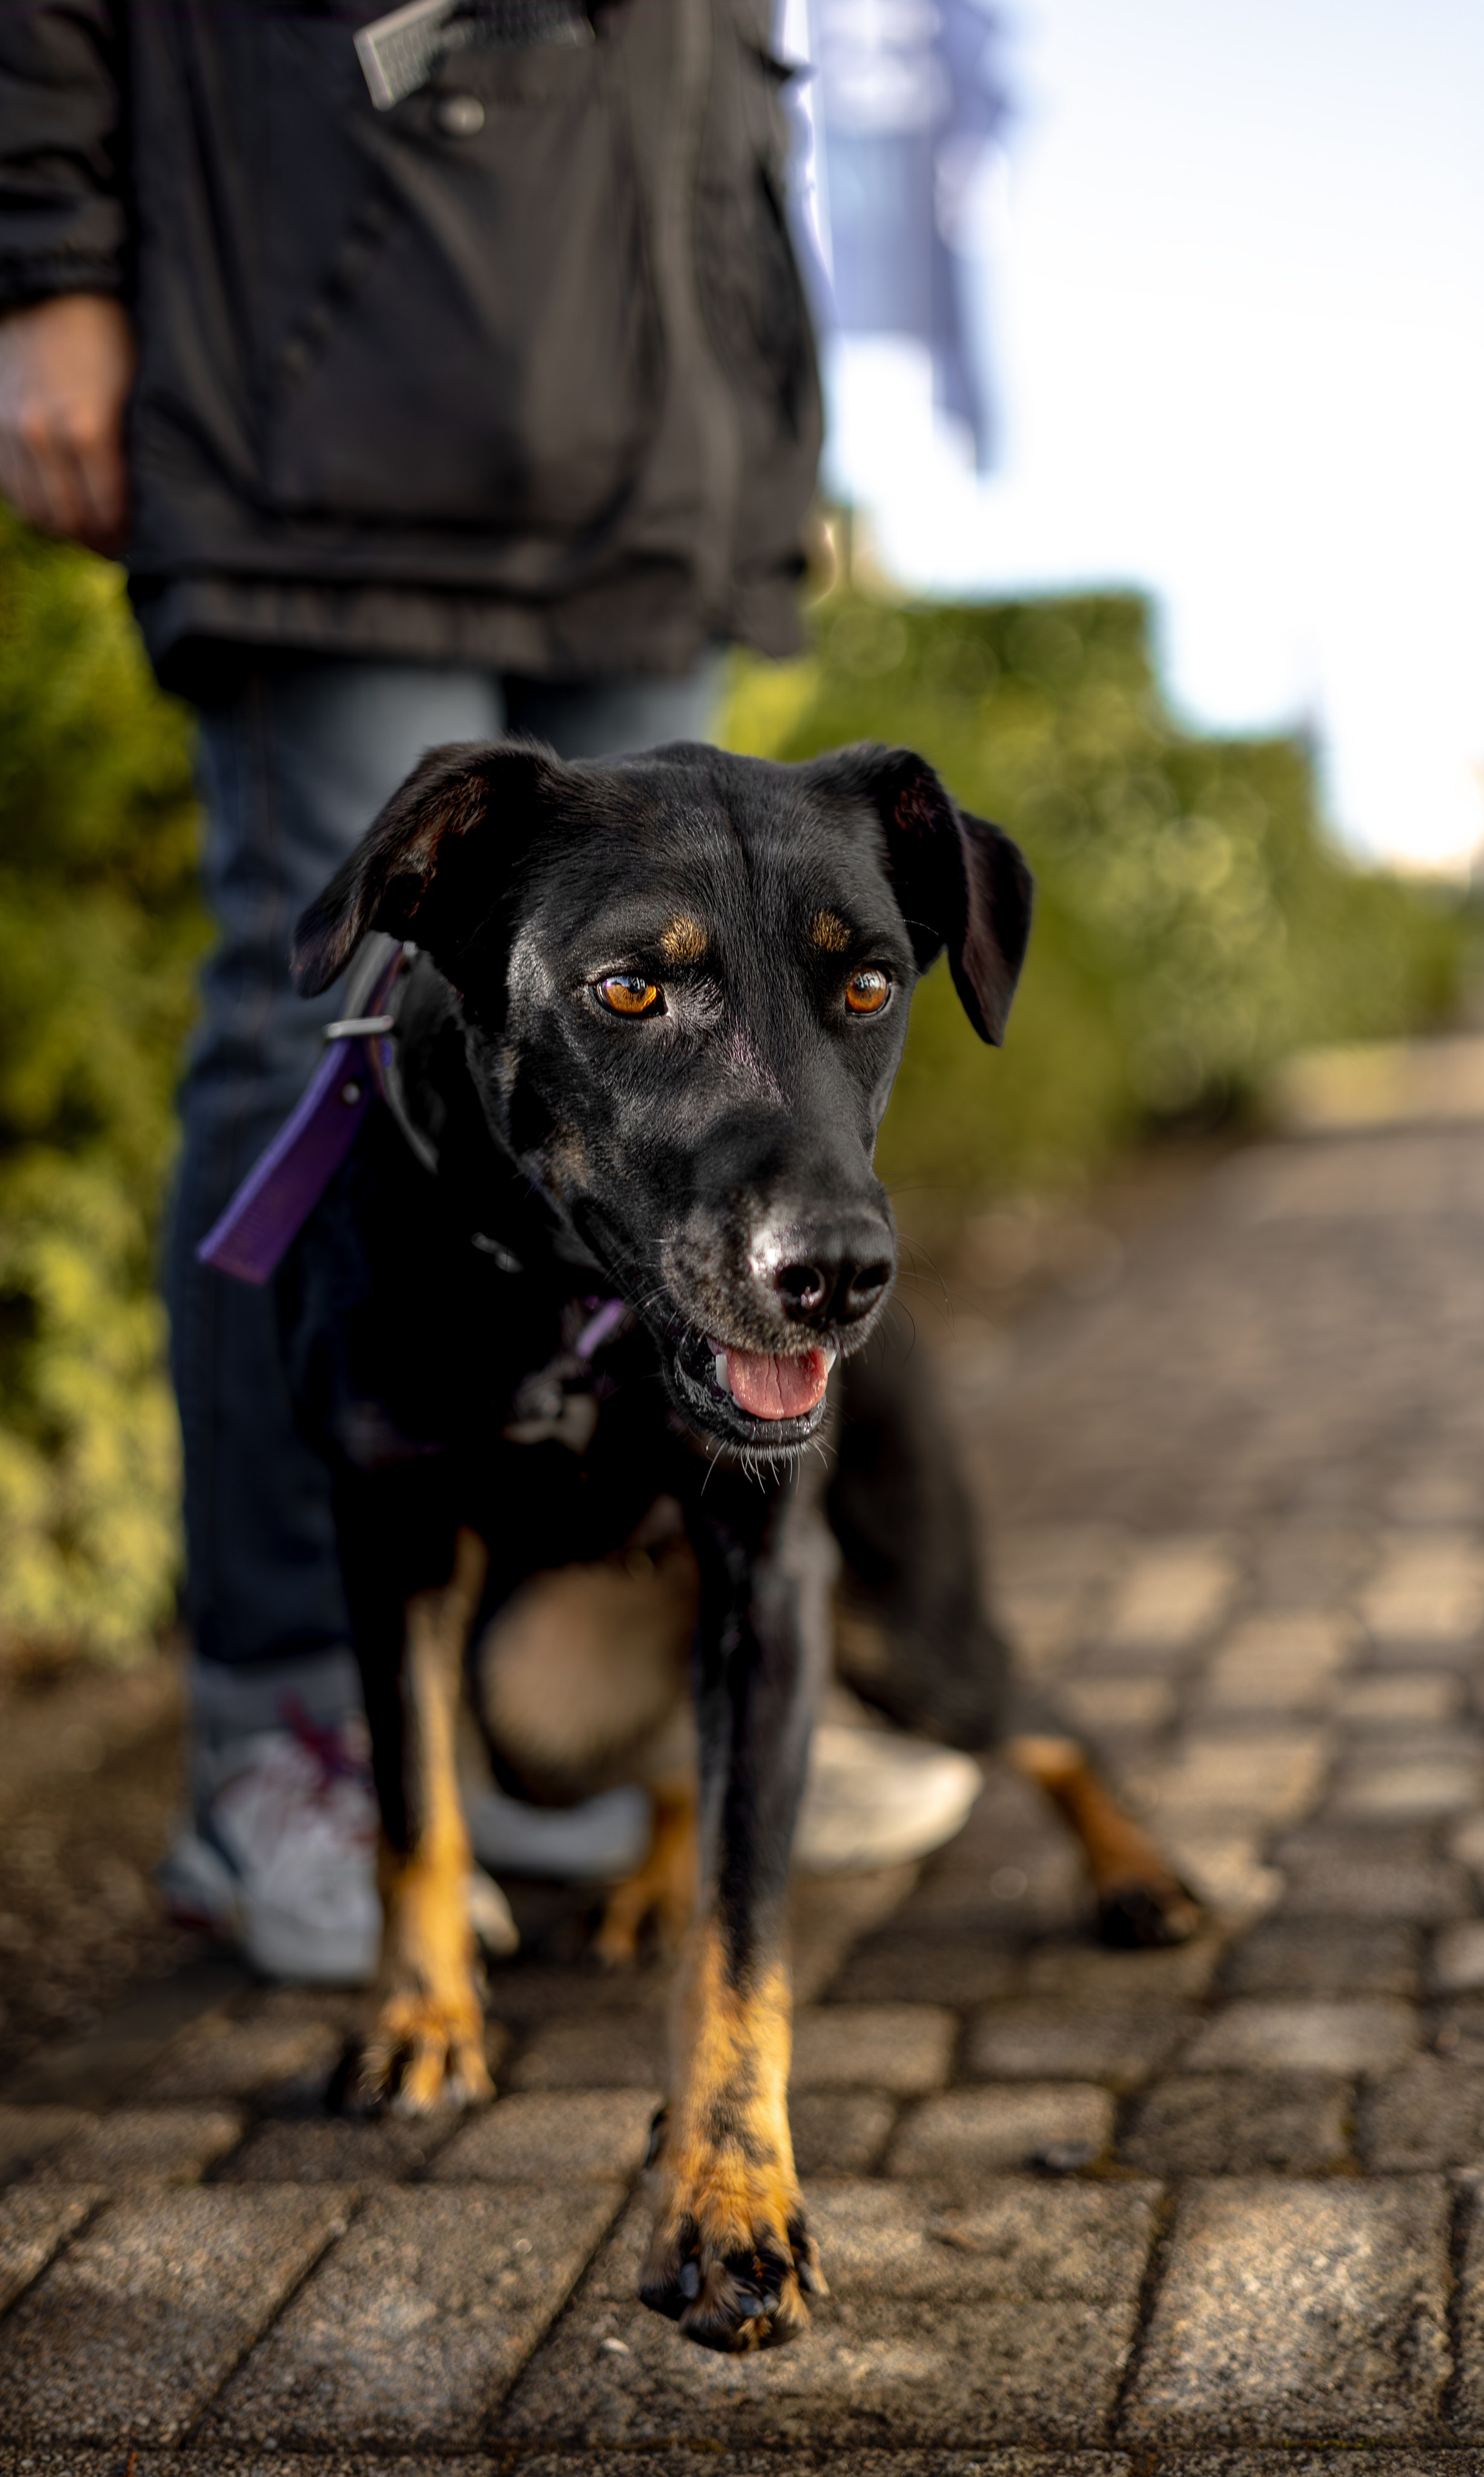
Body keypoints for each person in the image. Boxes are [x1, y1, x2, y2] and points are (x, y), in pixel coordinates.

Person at [0, 1, 980, 1983]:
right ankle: (294, 1731)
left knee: (660, 1108)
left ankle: (556, 1719)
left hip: (657, 384)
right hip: (322, 344)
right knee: (333, 1031)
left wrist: (758, 372)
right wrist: (48, 267)